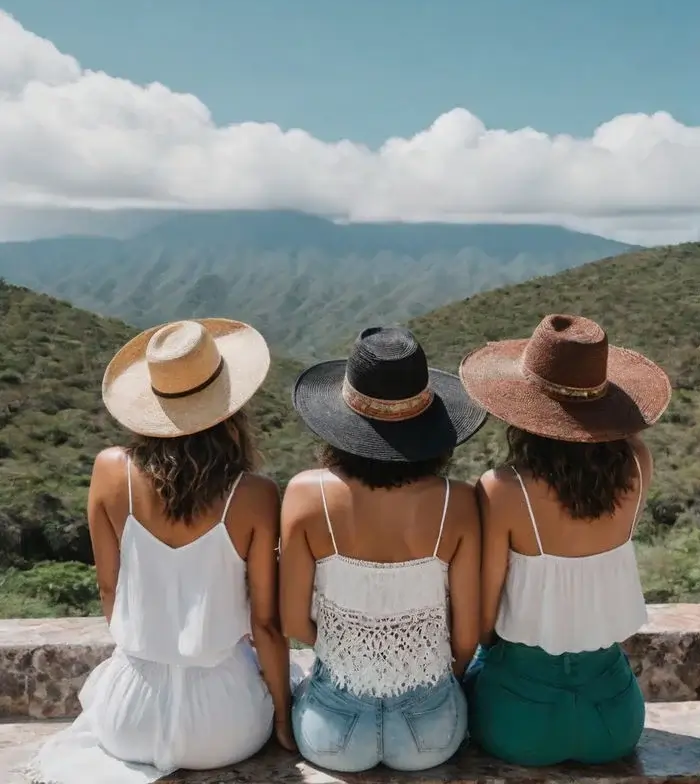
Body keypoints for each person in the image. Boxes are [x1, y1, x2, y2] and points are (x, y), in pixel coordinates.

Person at [29, 319, 294, 784]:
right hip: (224, 724)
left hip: (128, 715)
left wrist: (156, 641)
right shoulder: (253, 495)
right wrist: (282, 717)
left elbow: (109, 589)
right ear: (230, 408)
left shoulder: (110, 471)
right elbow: (266, 625)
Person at [459, 313, 672, 766]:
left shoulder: (503, 488)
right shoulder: (637, 464)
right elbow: (623, 436)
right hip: (615, 720)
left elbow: (484, 613)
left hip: (521, 719)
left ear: (523, 411)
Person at [280, 326, 487, 773]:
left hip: (331, 730)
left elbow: (293, 620)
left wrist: (352, 653)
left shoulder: (304, 495)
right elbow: (468, 635)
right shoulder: (459, 501)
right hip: (431, 732)